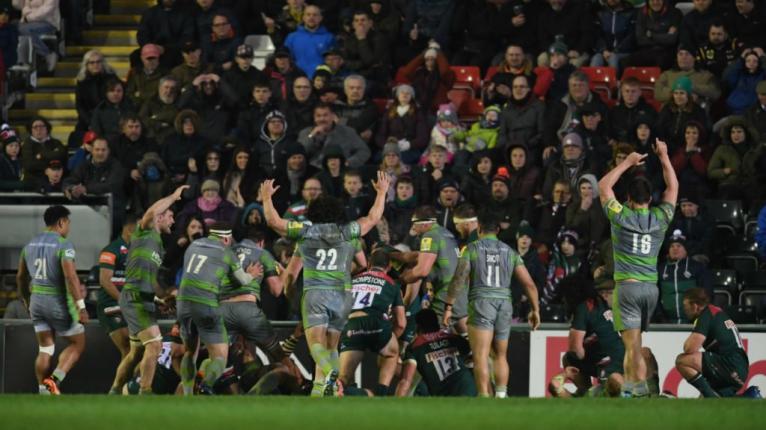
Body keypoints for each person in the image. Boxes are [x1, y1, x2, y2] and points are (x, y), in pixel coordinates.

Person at [261, 171, 390, 396]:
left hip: (316, 293)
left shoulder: (306, 232)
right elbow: (372, 218)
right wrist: (381, 193)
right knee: (331, 346)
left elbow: (274, 222)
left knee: (316, 345)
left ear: (313, 213)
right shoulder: (348, 232)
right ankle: (320, 389)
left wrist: (266, 198)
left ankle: (331, 372)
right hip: (343, 295)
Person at [598, 138, 677, 397]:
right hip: (651, 289)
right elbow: (673, 187)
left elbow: (603, 186)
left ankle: (638, 390)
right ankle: (632, 390)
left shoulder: (621, 216)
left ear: (629, 199)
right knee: (635, 343)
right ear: (651, 199)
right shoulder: (660, 217)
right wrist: (664, 156)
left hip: (628, 288)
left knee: (632, 346)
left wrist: (627, 163)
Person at [443, 212, 540, 398]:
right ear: (497, 230)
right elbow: (529, 284)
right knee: (500, 354)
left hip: (481, 302)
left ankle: (484, 397)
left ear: (479, 229)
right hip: (504, 304)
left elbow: (458, 279)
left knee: (480, 354)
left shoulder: (471, 249)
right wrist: (535, 310)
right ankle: (501, 396)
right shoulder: (510, 252)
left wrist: (448, 307)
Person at [111, 185, 188, 394]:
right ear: (159, 217)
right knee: (155, 345)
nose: (173, 221)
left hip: (144, 299)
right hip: (134, 298)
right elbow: (151, 212)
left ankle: (115, 390)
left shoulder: (158, 246)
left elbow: (152, 281)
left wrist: (163, 298)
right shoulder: (144, 231)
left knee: (136, 353)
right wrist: (173, 196)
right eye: (170, 216)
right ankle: (145, 392)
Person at [176, 221, 262, 395]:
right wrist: (251, 274)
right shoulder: (227, 253)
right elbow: (243, 280)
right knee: (220, 356)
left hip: (183, 302)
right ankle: (206, 386)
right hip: (205, 303)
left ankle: (187, 394)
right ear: (226, 239)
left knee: (190, 352)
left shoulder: (193, 246)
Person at [16, 205, 88, 395]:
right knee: (78, 343)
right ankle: (53, 381)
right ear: (61, 222)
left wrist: (26, 300)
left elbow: (20, 277)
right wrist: (81, 306)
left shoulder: (29, 245)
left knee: (45, 348)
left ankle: (43, 390)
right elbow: (71, 277)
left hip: (36, 301)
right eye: (68, 223)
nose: (69, 227)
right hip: (57, 302)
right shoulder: (64, 245)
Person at [338, 249, 405, 396]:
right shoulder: (392, 284)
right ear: (388, 267)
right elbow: (401, 323)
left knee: (343, 380)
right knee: (391, 353)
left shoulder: (353, 279)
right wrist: (386, 339)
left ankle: (341, 391)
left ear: (369, 264)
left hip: (352, 325)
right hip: (376, 323)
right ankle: (380, 394)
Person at [223, 227, 286, 366]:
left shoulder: (228, 251)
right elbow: (276, 290)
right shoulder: (262, 253)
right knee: (279, 356)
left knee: (220, 358)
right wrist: (283, 273)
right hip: (247, 309)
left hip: (223, 309)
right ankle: (294, 376)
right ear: (261, 242)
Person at [675, 288, 750, 397]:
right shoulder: (714, 311)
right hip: (738, 370)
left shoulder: (706, 315)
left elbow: (690, 348)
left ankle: (710, 397)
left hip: (730, 365)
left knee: (682, 360)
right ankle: (750, 396)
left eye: (685, 306)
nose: (684, 310)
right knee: (705, 405)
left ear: (695, 306)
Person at [400, 205, 463, 333]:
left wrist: (402, 279)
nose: (413, 228)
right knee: (465, 337)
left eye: (414, 224)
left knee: (434, 337)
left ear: (424, 224)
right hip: (460, 294)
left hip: (444, 295)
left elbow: (422, 270)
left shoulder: (430, 236)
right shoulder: (446, 233)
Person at [396, 308, 476, 397]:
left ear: (418, 326)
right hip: (467, 386)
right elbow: (475, 357)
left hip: (444, 393)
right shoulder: (453, 338)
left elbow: (406, 381)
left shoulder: (415, 347)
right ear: (437, 323)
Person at [98, 215, 137, 380]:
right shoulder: (111, 250)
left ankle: (129, 387)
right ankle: (119, 388)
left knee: (137, 350)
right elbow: (105, 281)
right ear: (129, 229)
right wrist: (123, 300)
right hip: (111, 304)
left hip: (130, 305)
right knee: (128, 347)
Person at [658, 230, 712, 324]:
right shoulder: (660, 269)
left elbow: (707, 293)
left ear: (685, 250)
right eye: (672, 246)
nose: (675, 249)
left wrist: (698, 317)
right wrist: (660, 317)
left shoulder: (697, 267)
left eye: (679, 246)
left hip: (693, 323)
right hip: (666, 324)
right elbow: (655, 297)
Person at [284, 5, 336, 76]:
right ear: (303, 17)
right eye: (308, 14)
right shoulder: (292, 37)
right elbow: (287, 60)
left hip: (321, 79)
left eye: (315, 15)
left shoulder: (329, 37)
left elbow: (333, 62)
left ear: (320, 18)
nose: (311, 17)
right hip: (298, 78)